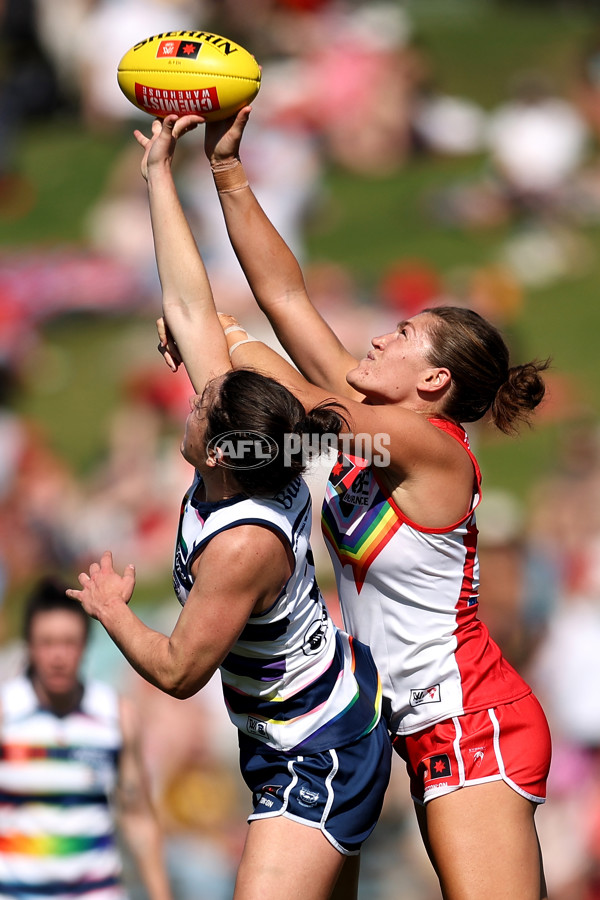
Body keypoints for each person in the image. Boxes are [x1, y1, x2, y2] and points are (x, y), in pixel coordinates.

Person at [151, 108, 553, 900]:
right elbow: (286, 293)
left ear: (434, 383)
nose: (377, 341)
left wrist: (224, 338)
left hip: (471, 722)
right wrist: (226, 165)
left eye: (402, 335)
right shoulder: (372, 436)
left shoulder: (432, 452)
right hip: (394, 721)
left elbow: (301, 405)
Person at [67, 115, 391, 900]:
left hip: (316, 745)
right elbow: (189, 303)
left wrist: (113, 610)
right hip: (294, 730)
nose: (186, 383)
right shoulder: (244, 452)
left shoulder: (242, 544)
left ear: (215, 448)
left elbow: (179, 671)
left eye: (199, 399)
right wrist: (157, 173)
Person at [0, 576, 173, 900]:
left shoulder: (115, 716)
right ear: (29, 645)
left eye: (69, 642)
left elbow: (138, 817)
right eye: (47, 642)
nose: (58, 656)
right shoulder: (6, 714)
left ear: (85, 645)